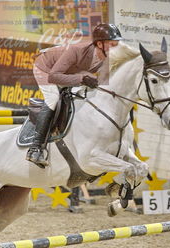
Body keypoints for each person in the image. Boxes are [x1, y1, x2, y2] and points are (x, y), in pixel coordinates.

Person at [26, 23, 122, 167]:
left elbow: (104, 83)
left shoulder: (108, 57)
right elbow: (54, 77)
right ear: (100, 44)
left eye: (117, 43)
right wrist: (82, 79)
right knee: (53, 99)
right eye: (112, 44)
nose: (116, 47)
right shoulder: (77, 50)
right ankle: (35, 148)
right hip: (46, 68)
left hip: (69, 71)